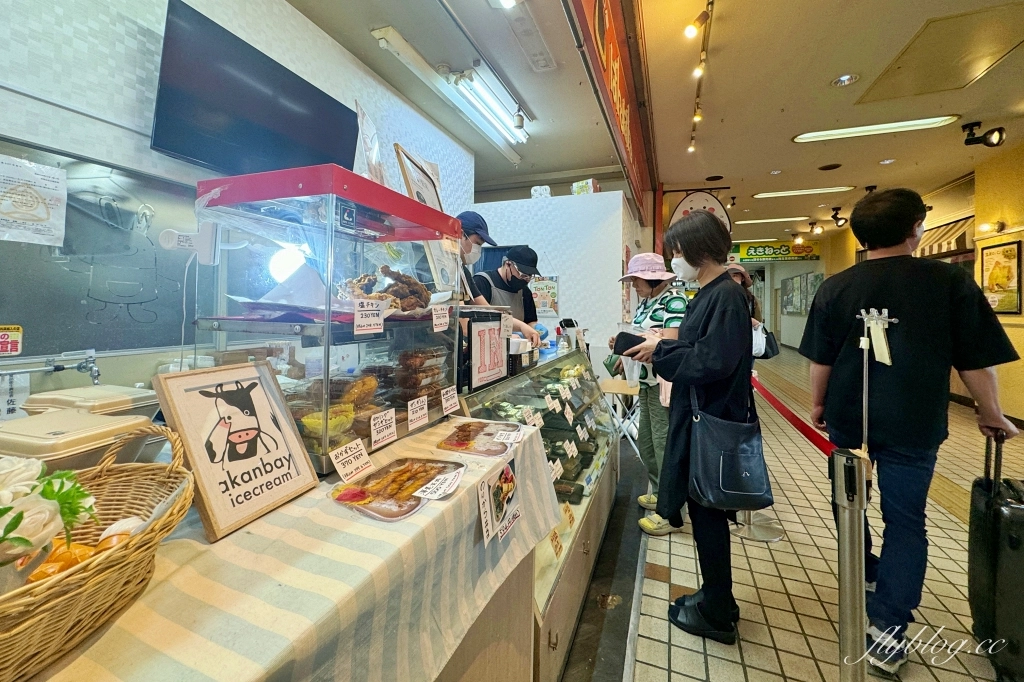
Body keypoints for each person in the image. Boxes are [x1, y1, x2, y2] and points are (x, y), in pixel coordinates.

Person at [798, 188, 1020, 674]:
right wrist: (991, 412)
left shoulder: (836, 287)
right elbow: (975, 359)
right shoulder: (947, 283)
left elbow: (821, 358)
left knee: (849, 505)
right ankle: (889, 628)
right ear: (915, 228)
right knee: (907, 520)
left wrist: (818, 403)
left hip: (849, 416)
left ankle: (866, 573)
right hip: (914, 420)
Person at [625, 210, 753, 644]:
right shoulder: (710, 292)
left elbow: (713, 361)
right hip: (701, 414)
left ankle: (718, 611)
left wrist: (662, 354)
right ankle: (716, 596)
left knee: (709, 513)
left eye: (676, 252)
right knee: (704, 513)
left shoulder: (726, 296)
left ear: (697, 249)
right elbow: (698, 346)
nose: (673, 260)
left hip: (712, 419)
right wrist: (661, 344)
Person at [608, 253, 687, 536]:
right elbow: (643, 337)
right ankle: (658, 492)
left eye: (636, 280)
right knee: (648, 443)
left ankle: (670, 512)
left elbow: (670, 343)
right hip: (645, 381)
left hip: (664, 385)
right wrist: (623, 344)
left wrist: (639, 342)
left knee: (665, 445)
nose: (633, 286)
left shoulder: (674, 300)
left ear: (653, 279)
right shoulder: (647, 302)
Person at [474, 245, 542, 346]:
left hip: (517, 351)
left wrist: (536, 329)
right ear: (508, 264)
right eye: (522, 274)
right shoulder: (483, 282)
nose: (525, 279)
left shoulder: (525, 292)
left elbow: (530, 322)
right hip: (485, 348)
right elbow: (477, 322)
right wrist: (506, 337)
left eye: (529, 276)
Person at [455, 211, 495, 305]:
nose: (478, 250)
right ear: (460, 234)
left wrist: (507, 318)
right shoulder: (435, 265)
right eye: (477, 243)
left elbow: (486, 308)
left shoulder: (463, 271)